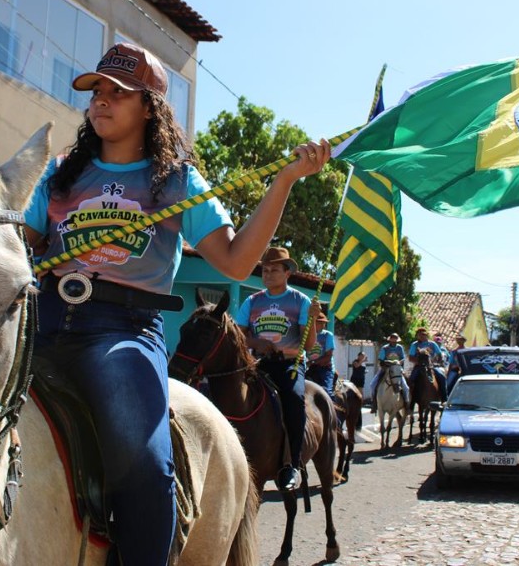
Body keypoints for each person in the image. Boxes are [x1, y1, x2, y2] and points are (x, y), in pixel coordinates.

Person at [24, 42, 330, 565]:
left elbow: (234, 263)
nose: (101, 100)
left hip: (121, 331)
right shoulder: (57, 175)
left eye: (117, 92)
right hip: (42, 319)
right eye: (96, 90)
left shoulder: (177, 182)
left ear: (150, 107)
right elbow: (23, 245)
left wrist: (283, 182)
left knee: (146, 462)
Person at [236, 246, 324, 493]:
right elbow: (240, 337)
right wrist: (257, 343)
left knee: (294, 399)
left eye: (274, 269)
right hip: (260, 364)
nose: (268, 273)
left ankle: (292, 464)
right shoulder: (252, 302)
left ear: (287, 273)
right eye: (265, 269)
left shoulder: (301, 301)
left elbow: (308, 344)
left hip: (290, 364)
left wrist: (314, 320)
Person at [369, 332, 410, 410]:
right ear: (390, 339)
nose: (393, 340)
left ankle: (406, 402)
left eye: (395, 339)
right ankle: (374, 403)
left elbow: (402, 358)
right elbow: (381, 360)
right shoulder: (385, 348)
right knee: (372, 385)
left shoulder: (400, 348)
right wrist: (389, 362)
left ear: (397, 340)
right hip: (386, 368)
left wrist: (399, 363)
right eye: (392, 338)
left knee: (406, 387)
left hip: (397, 369)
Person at [407, 327, 448, 401]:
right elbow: (410, 358)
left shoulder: (432, 344)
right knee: (411, 380)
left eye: (423, 335)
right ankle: (411, 402)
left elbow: (439, 355)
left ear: (426, 335)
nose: (421, 336)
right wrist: (419, 362)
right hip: (419, 366)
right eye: (419, 335)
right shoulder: (415, 345)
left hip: (432, 366)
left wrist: (437, 362)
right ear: (417, 336)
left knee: (441, 377)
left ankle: (444, 399)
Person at [305, 311, 336, 397]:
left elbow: (328, 356)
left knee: (327, 392)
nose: (323, 325)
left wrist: (312, 362)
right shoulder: (306, 335)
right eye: (321, 323)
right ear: (313, 323)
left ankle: (333, 408)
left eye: (324, 323)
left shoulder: (327, 335)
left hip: (325, 368)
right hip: (310, 368)